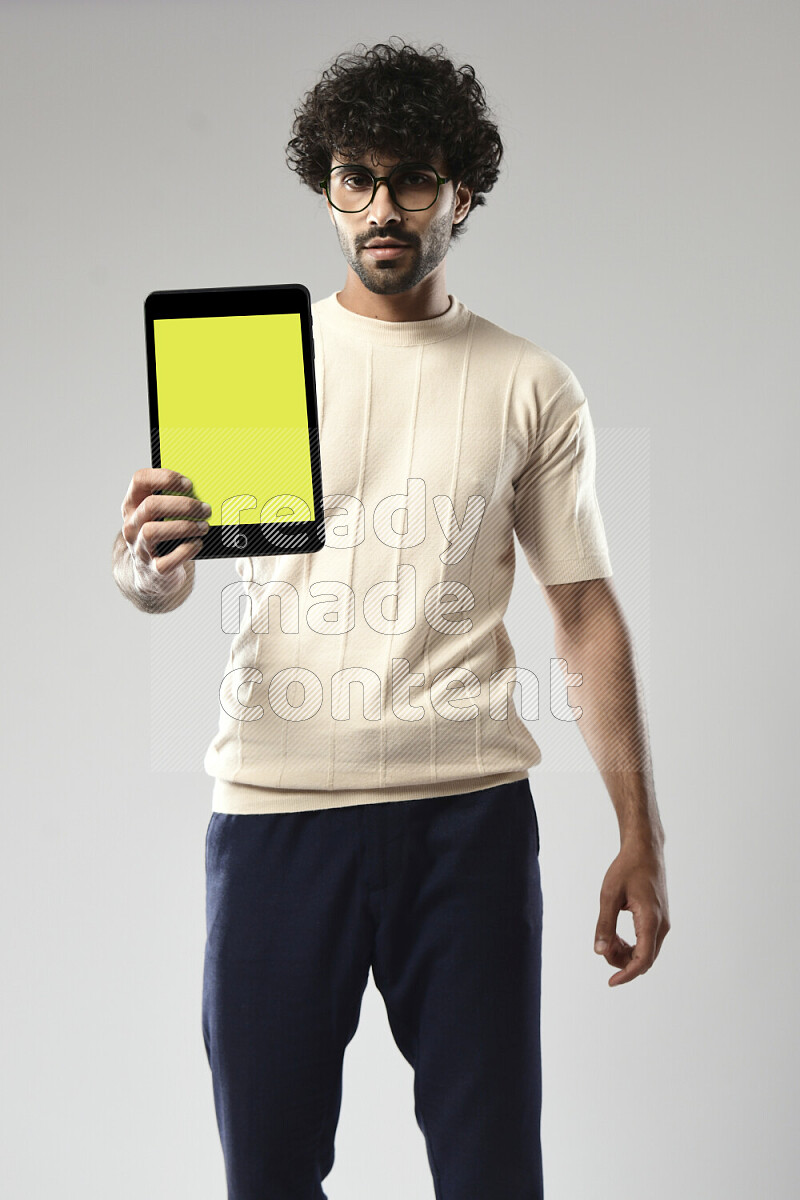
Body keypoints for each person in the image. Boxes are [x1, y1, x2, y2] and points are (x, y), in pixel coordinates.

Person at [112, 37, 670, 1200]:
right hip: (276, 817)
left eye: (411, 179)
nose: (381, 206)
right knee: (265, 1177)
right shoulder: (261, 364)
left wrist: (639, 834)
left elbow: (583, 615)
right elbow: (181, 571)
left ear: (459, 192)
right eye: (355, 177)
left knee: (488, 1176)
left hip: (463, 823)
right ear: (326, 187)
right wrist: (149, 573)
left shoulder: (528, 383)